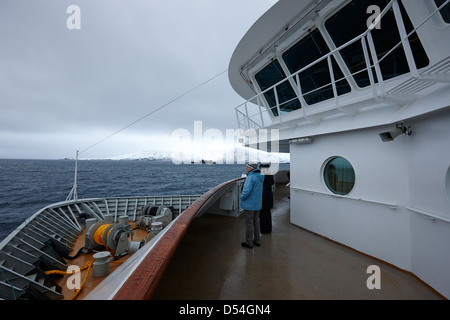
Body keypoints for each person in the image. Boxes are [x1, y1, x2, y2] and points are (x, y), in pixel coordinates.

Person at [240, 162, 264, 248]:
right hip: (257, 203)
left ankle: (249, 243)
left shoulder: (250, 177)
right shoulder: (261, 176)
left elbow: (246, 191)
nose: (246, 168)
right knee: (256, 222)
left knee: (249, 224)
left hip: (249, 205)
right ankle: (257, 240)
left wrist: (241, 197)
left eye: (247, 167)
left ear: (251, 168)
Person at [259, 163, 274, 234]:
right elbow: (272, 182)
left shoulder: (261, 176)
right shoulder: (270, 175)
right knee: (268, 213)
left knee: (262, 214)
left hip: (262, 197)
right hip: (269, 197)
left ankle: (263, 230)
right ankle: (269, 229)